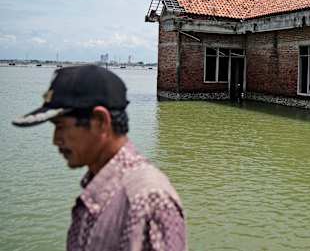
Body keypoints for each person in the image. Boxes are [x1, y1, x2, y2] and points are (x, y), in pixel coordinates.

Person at [12, 64, 187, 251]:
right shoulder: (99, 187)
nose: (56, 140)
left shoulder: (147, 200)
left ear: (101, 121)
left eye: (61, 126)